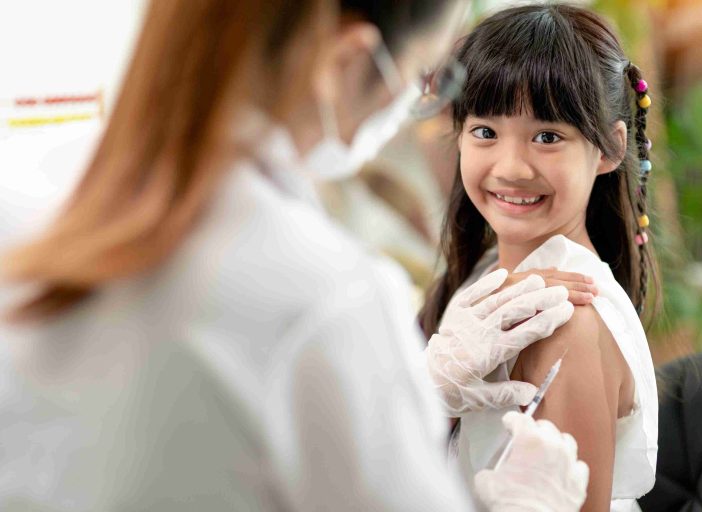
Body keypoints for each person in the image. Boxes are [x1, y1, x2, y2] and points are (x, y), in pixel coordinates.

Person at [0, 1, 590, 510]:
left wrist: (398, 393)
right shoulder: (329, 298)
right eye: (421, 75)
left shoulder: (26, 188)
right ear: (352, 60)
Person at [419, 4, 660, 511]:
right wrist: (426, 398)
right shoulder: (489, 276)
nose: (511, 167)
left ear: (610, 150)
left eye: (547, 136)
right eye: (485, 131)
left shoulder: (566, 320)